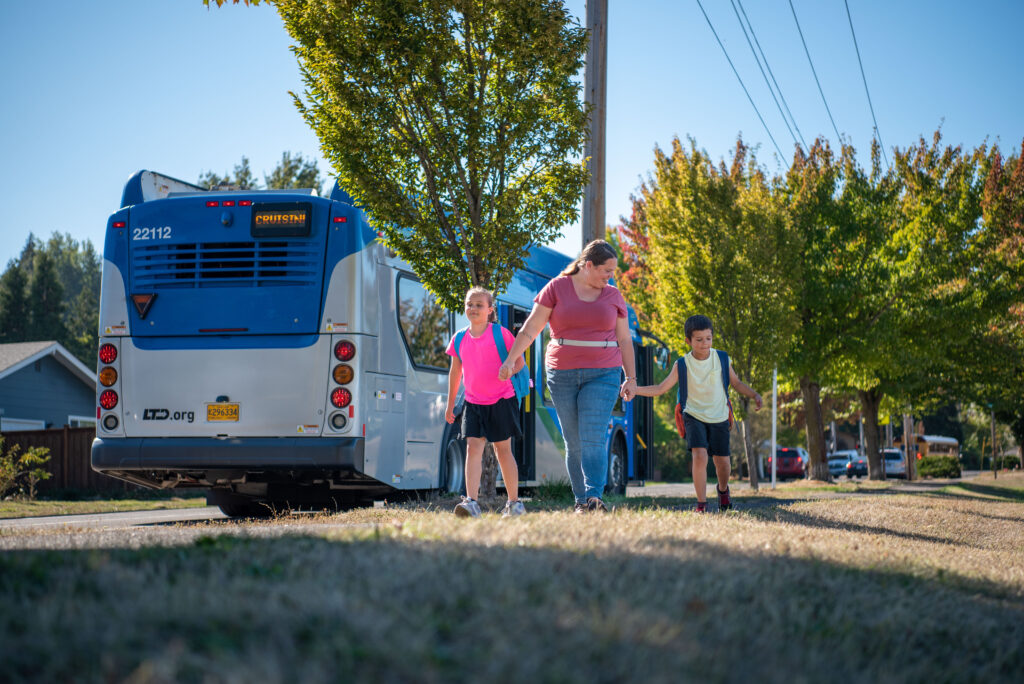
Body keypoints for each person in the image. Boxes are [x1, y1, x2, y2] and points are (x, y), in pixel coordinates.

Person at [499, 240, 637, 513]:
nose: (610, 277)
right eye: (606, 271)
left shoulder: (612, 296)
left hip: (604, 373)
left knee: (593, 436)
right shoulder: (557, 288)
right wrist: (512, 358)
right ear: (588, 266)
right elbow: (530, 330)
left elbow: (624, 339)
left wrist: (630, 377)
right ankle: (580, 501)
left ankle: (595, 497)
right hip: (561, 374)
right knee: (573, 442)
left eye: (612, 272)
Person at [633, 315, 762, 512]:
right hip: (693, 415)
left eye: (708, 339)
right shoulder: (682, 365)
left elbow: (735, 383)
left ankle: (723, 491)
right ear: (688, 341)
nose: (704, 344)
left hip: (719, 415)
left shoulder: (721, 359)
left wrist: (754, 395)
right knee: (700, 456)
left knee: (723, 463)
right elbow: (660, 388)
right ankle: (701, 504)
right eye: (699, 340)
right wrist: (636, 389)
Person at [445, 287, 527, 518]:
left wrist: (509, 370)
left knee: (503, 450)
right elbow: (455, 373)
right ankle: (471, 502)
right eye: (470, 304)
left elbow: (519, 362)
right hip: (473, 402)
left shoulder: (501, 334)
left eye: (479, 305)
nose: (473, 308)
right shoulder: (459, 338)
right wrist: (450, 404)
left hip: (502, 399)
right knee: (472, 447)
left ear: (490, 310)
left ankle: (514, 504)